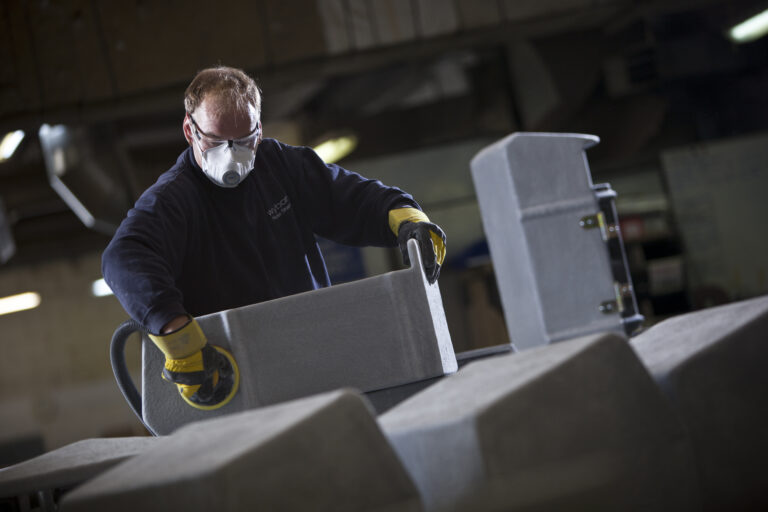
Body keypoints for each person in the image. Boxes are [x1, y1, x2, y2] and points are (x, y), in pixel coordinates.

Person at [102, 66, 446, 408]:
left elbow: (354, 199)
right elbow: (125, 257)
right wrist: (181, 340)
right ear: (190, 132)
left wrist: (409, 220)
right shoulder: (174, 200)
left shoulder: (281, 167)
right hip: (233, 378)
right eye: (217, 141)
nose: (232, 154)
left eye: (245, 139)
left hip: (315, 357)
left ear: (259, 129)